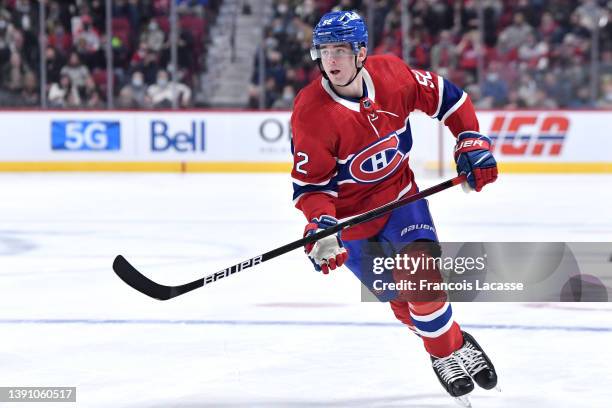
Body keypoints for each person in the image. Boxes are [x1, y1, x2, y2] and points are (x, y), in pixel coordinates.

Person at [290, 10, 499, 404]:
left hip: (402, 197)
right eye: (324, 51)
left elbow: (449, 99)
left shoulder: (393, 76)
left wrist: (469, 137)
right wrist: (321, 225)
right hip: (351, 221)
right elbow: (312, 186)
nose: (331, 61)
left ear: (361, 51)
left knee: (421, 279)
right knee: (405, 304)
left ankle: (441, 356)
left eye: (341, 50)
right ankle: (454, 343)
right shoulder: (310, 112)